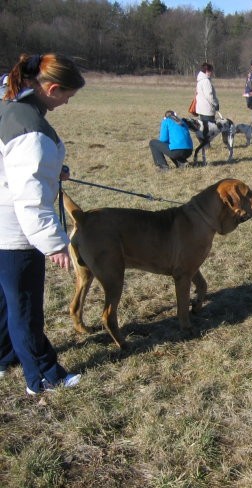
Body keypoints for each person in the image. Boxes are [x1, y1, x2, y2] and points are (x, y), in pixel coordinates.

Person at [0, 53, 84, 395]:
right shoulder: (30, 130)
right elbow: (30, 197)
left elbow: (17, 171)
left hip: (3, 224)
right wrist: (55, 243)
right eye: (66, 95)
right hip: (16, 233)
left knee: (6, 302)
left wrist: (53, 172)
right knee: (25, 309)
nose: (66, 102)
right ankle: (44, 377)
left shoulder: (10, 103)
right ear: (49, 88)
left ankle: (4, 358)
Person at [195, 62, 219, 143]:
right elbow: (209, 95)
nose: (212, 73)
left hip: (201, 108)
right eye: (211, 71)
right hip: (207, 109)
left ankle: (205, 144)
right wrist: (216, 104)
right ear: (207, 71)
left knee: (203, 127)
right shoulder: (206, 81)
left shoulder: (200, 80)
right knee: (209, 128)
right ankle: (206, 144)